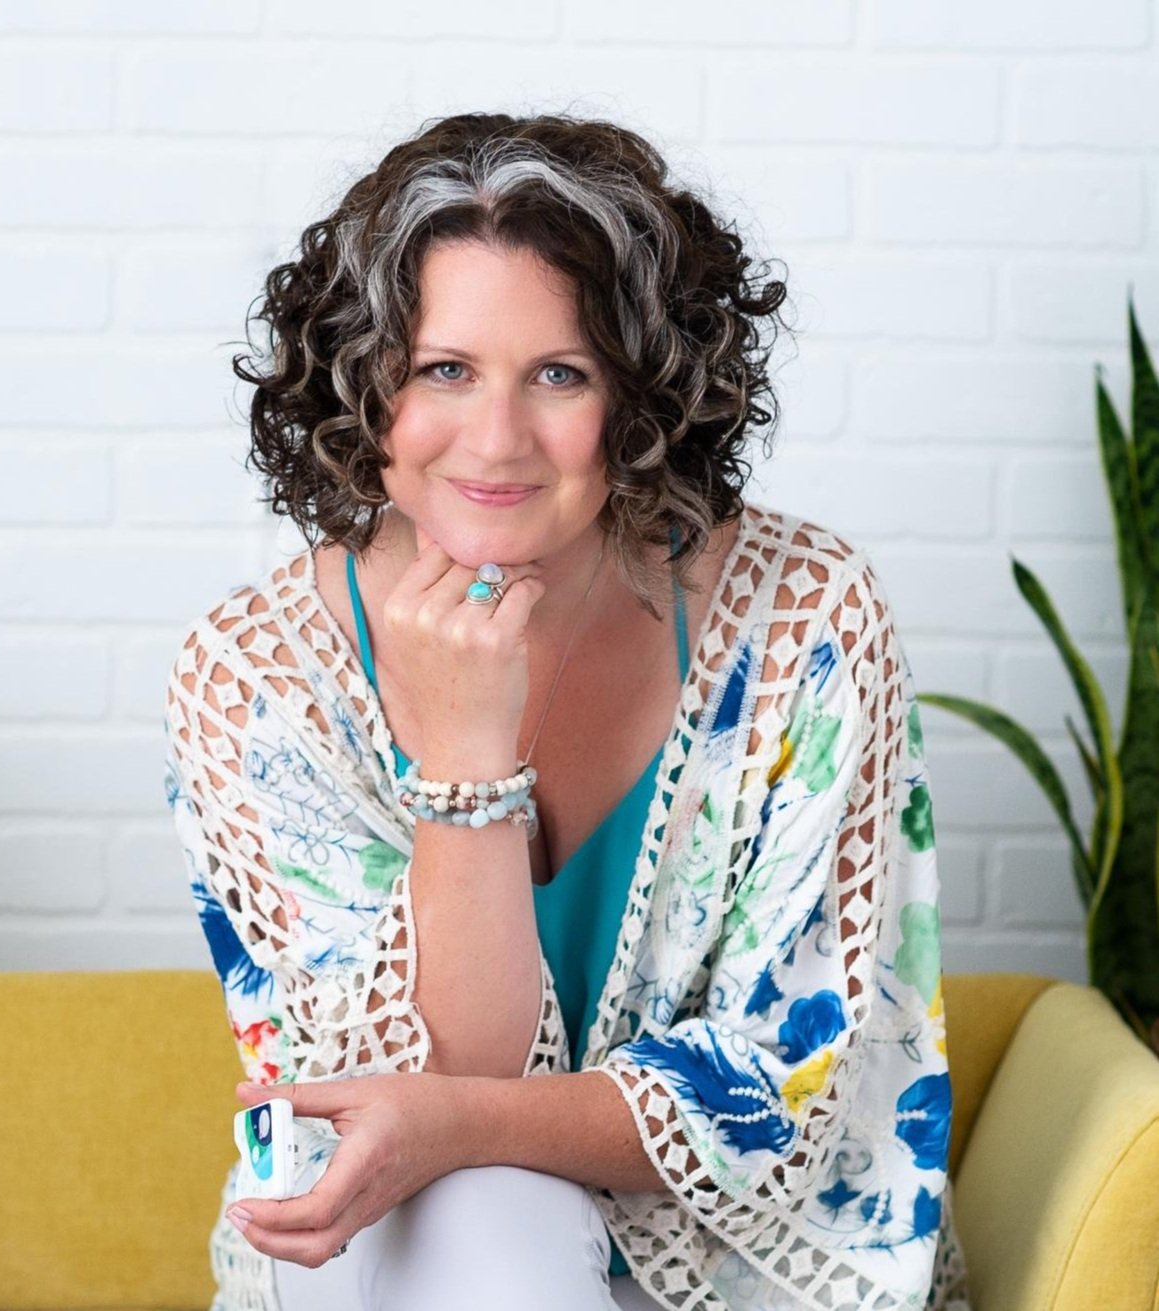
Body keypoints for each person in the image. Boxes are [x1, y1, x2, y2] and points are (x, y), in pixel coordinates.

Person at [163, 111, 971, 1311]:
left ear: (641, 396)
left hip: (729, 1263)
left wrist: (461, 1123)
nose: (497, 439)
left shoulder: (804, 621)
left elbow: (775, 1086)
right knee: (487, 1212)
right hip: (398, 1259)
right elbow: (395, 1107)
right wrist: (469, 755)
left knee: (489, 1190)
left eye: (560, 373)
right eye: (444, 368)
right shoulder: (255, 680)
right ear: (362, 383)